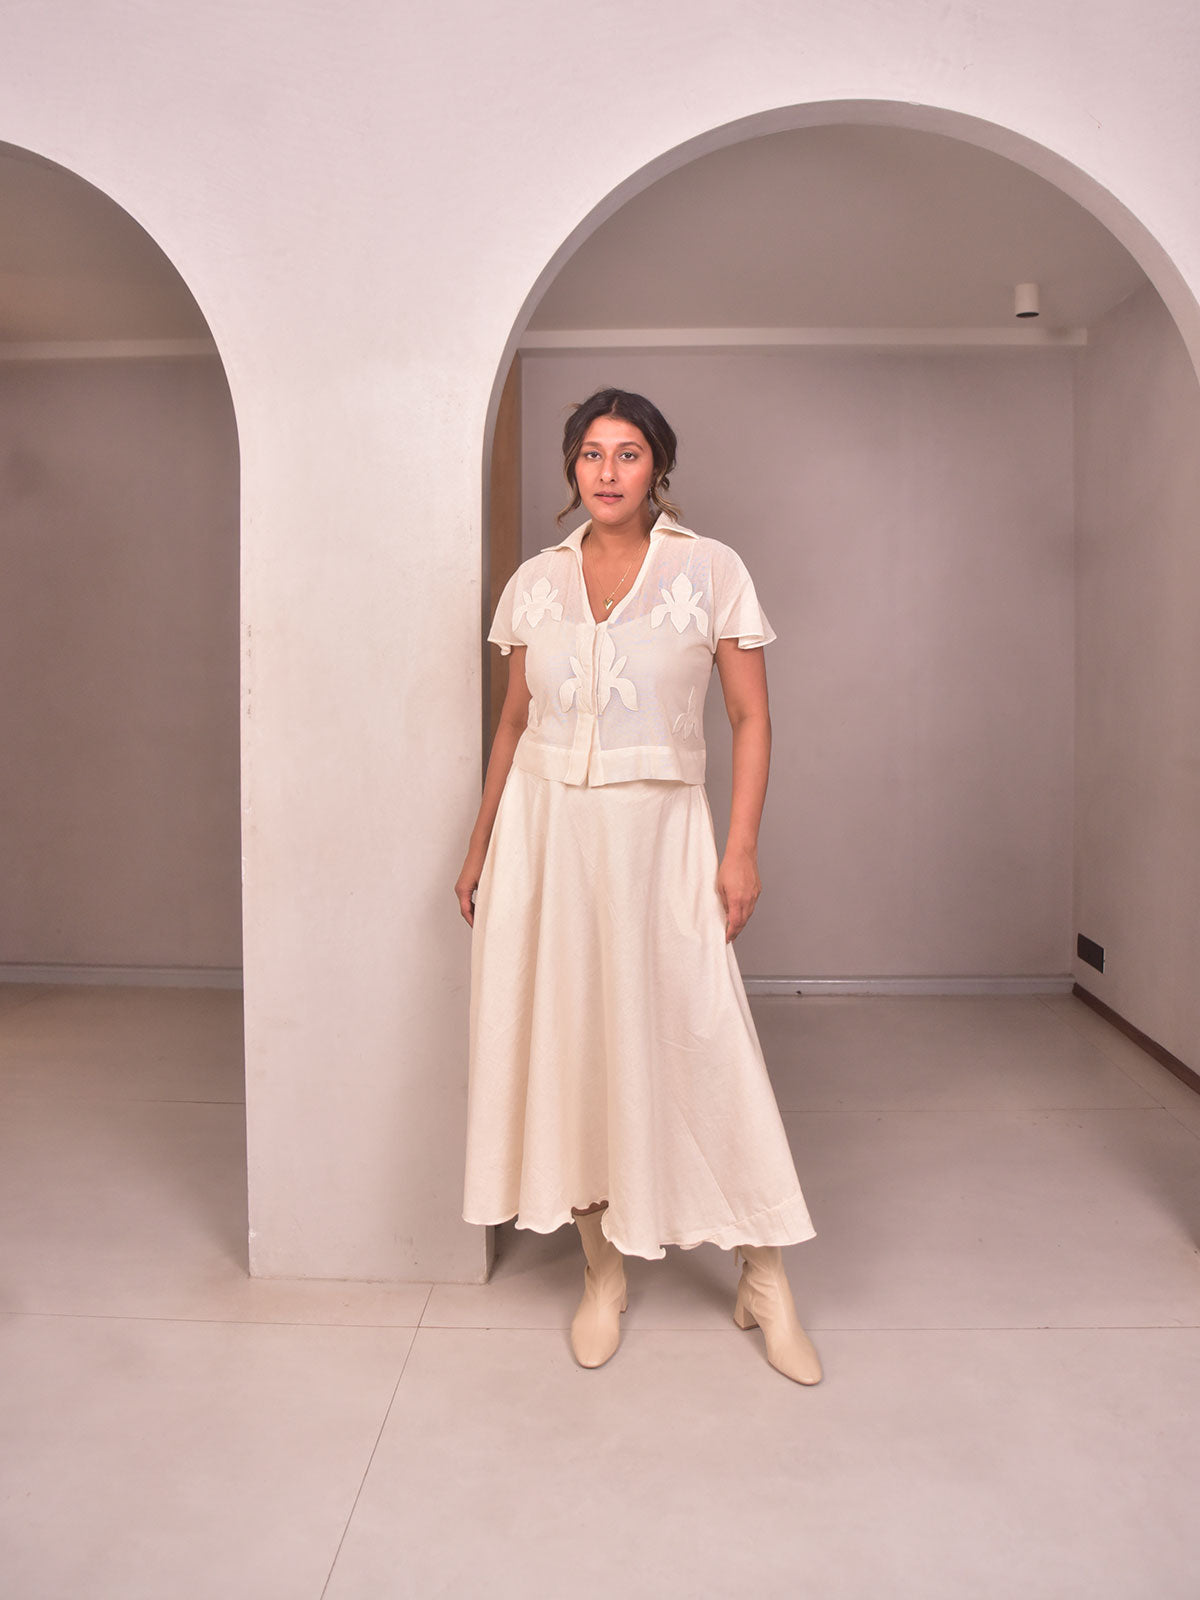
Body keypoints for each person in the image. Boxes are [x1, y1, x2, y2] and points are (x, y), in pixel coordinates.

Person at [455, 388, 821, 1385]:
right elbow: (513, 721)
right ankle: (602, 1272)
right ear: (571, 468)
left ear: (658, 466)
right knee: (571, 1043)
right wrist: (481, 842)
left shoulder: (711, 570)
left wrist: (739, 850)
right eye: (590, 453)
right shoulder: (535, 582)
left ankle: (764, 1277)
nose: (607, 471)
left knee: (703, 1041)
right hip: (545, 840)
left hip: (661, 840)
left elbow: (750, 718)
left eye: (627, 453)